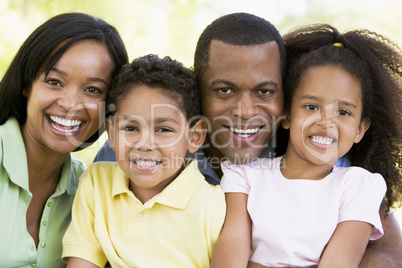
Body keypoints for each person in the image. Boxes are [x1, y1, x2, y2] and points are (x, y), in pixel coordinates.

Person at [94, 12, 402, 266]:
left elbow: (386, 256)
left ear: (285, 100)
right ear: (197, 91)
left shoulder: (313, 157)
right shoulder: (134, 153)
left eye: (264, 92)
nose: (244, 111)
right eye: (224, 90)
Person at [212, 23, 402, 267]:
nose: (326, 121)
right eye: (311, 107)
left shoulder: (360, 187)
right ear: (287, 115)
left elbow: (340, 261)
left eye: (343, 111)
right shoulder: (244, 174)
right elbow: (233, 243)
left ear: (360, 129)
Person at [62, 54, 226, 268]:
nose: (145, 144)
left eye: (164, 130)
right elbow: (83, 262)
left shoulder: (214, 207)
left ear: (194, 137)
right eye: (130, 128)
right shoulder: (96, 182)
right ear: (111, 133)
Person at [0, 12, 128, 268]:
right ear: (27, 84)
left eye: (93, 90)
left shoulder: (92, 191)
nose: (70, 104)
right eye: (54, 82)